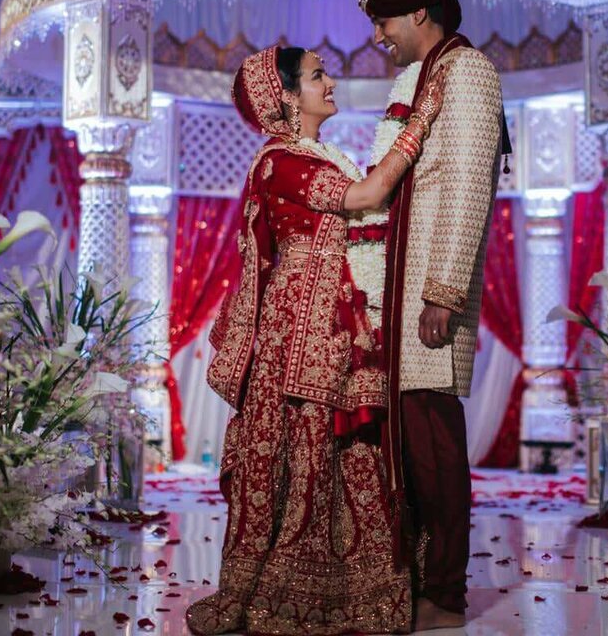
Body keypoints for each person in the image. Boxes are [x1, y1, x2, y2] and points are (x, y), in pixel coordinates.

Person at [186, 45, 448, 636]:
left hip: (335, 315)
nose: (330, 82)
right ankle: (292, 587)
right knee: (308, 445)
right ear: (285, 96)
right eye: (316, 76)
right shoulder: (279, 162)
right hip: (301, 326)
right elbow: (364, 197)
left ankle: (354, 588)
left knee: (348, 450)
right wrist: (418, 125)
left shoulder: (316, 154)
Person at [356, 0, 505, 630]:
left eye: (385, 18)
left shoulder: (467, 70)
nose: (379, 33)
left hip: (428, 290)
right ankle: (419, 575)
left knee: (434, 440)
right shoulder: (423, 74)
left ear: (420, 12)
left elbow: (471, 183)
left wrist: (442, 291)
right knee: (412, 443)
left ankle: (444, 591)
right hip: (403, 285)